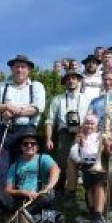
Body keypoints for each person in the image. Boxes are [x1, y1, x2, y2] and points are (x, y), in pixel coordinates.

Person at [0, 131, 60, 223]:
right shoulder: (15, 165)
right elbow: (8, 190)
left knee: (45, 198)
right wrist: (23, 192)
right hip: (19, 198)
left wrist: (48, 187)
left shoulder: (43, 158)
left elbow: (55, 170)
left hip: (37, 197)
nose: (29, 146)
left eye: (33, 144)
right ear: (21, 147)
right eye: (25, 144)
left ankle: (18, 219)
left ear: (37, 147)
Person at [0, 55, 46, 182]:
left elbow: (38, 108)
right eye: (17, 67)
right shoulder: (1, 86)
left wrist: (16, 112)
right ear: (12, 69)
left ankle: (22, 200)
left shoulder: (36, 86)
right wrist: (6, 107)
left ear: (29, 70)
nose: (19, 70)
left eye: (23, 67)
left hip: (27, 131)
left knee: (24, 170)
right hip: (3, 130)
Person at [44, 70, 88, 198]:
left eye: (74, 78)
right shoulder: (58, 99)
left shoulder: (86, 99)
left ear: (79, 80)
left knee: (85, 163)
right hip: (64, 132)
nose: (71, 81)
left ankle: (86, 195)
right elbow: (50, 120)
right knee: (62, 163)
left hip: (83, 132)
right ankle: (60, 193)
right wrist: (48, 139)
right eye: (68, 79)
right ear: (64, 82)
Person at [69, 114, 111, 223]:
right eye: (87, 123)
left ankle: (98, 215)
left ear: (96, 125)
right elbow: (73, 153)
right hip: (86, 165)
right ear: (83, 124)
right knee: (88, 189)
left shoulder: (100, 136)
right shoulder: (80, 137)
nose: (89, 126)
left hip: (98, 164)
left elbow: (108, 153)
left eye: (92, 123)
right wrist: (79, 158)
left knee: (99, 188)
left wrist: (107, 145)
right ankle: (93, 214)